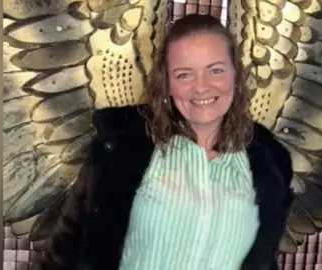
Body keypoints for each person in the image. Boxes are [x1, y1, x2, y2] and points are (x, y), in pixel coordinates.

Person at [34, 14, 294, 270]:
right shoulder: (120, 148)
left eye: (215, 70)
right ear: (167, 82)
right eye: (184, 75)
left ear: (235, 75)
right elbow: (62, 255)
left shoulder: (270, 162)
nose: (201, 87)